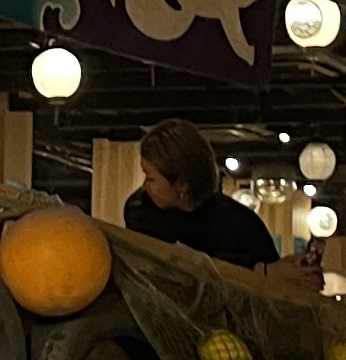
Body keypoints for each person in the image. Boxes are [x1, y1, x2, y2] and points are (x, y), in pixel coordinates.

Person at [119, 118, 282, 276]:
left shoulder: (241, 224)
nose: (145, 186)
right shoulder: (140, 210)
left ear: (182, 183)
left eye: (150, 178)